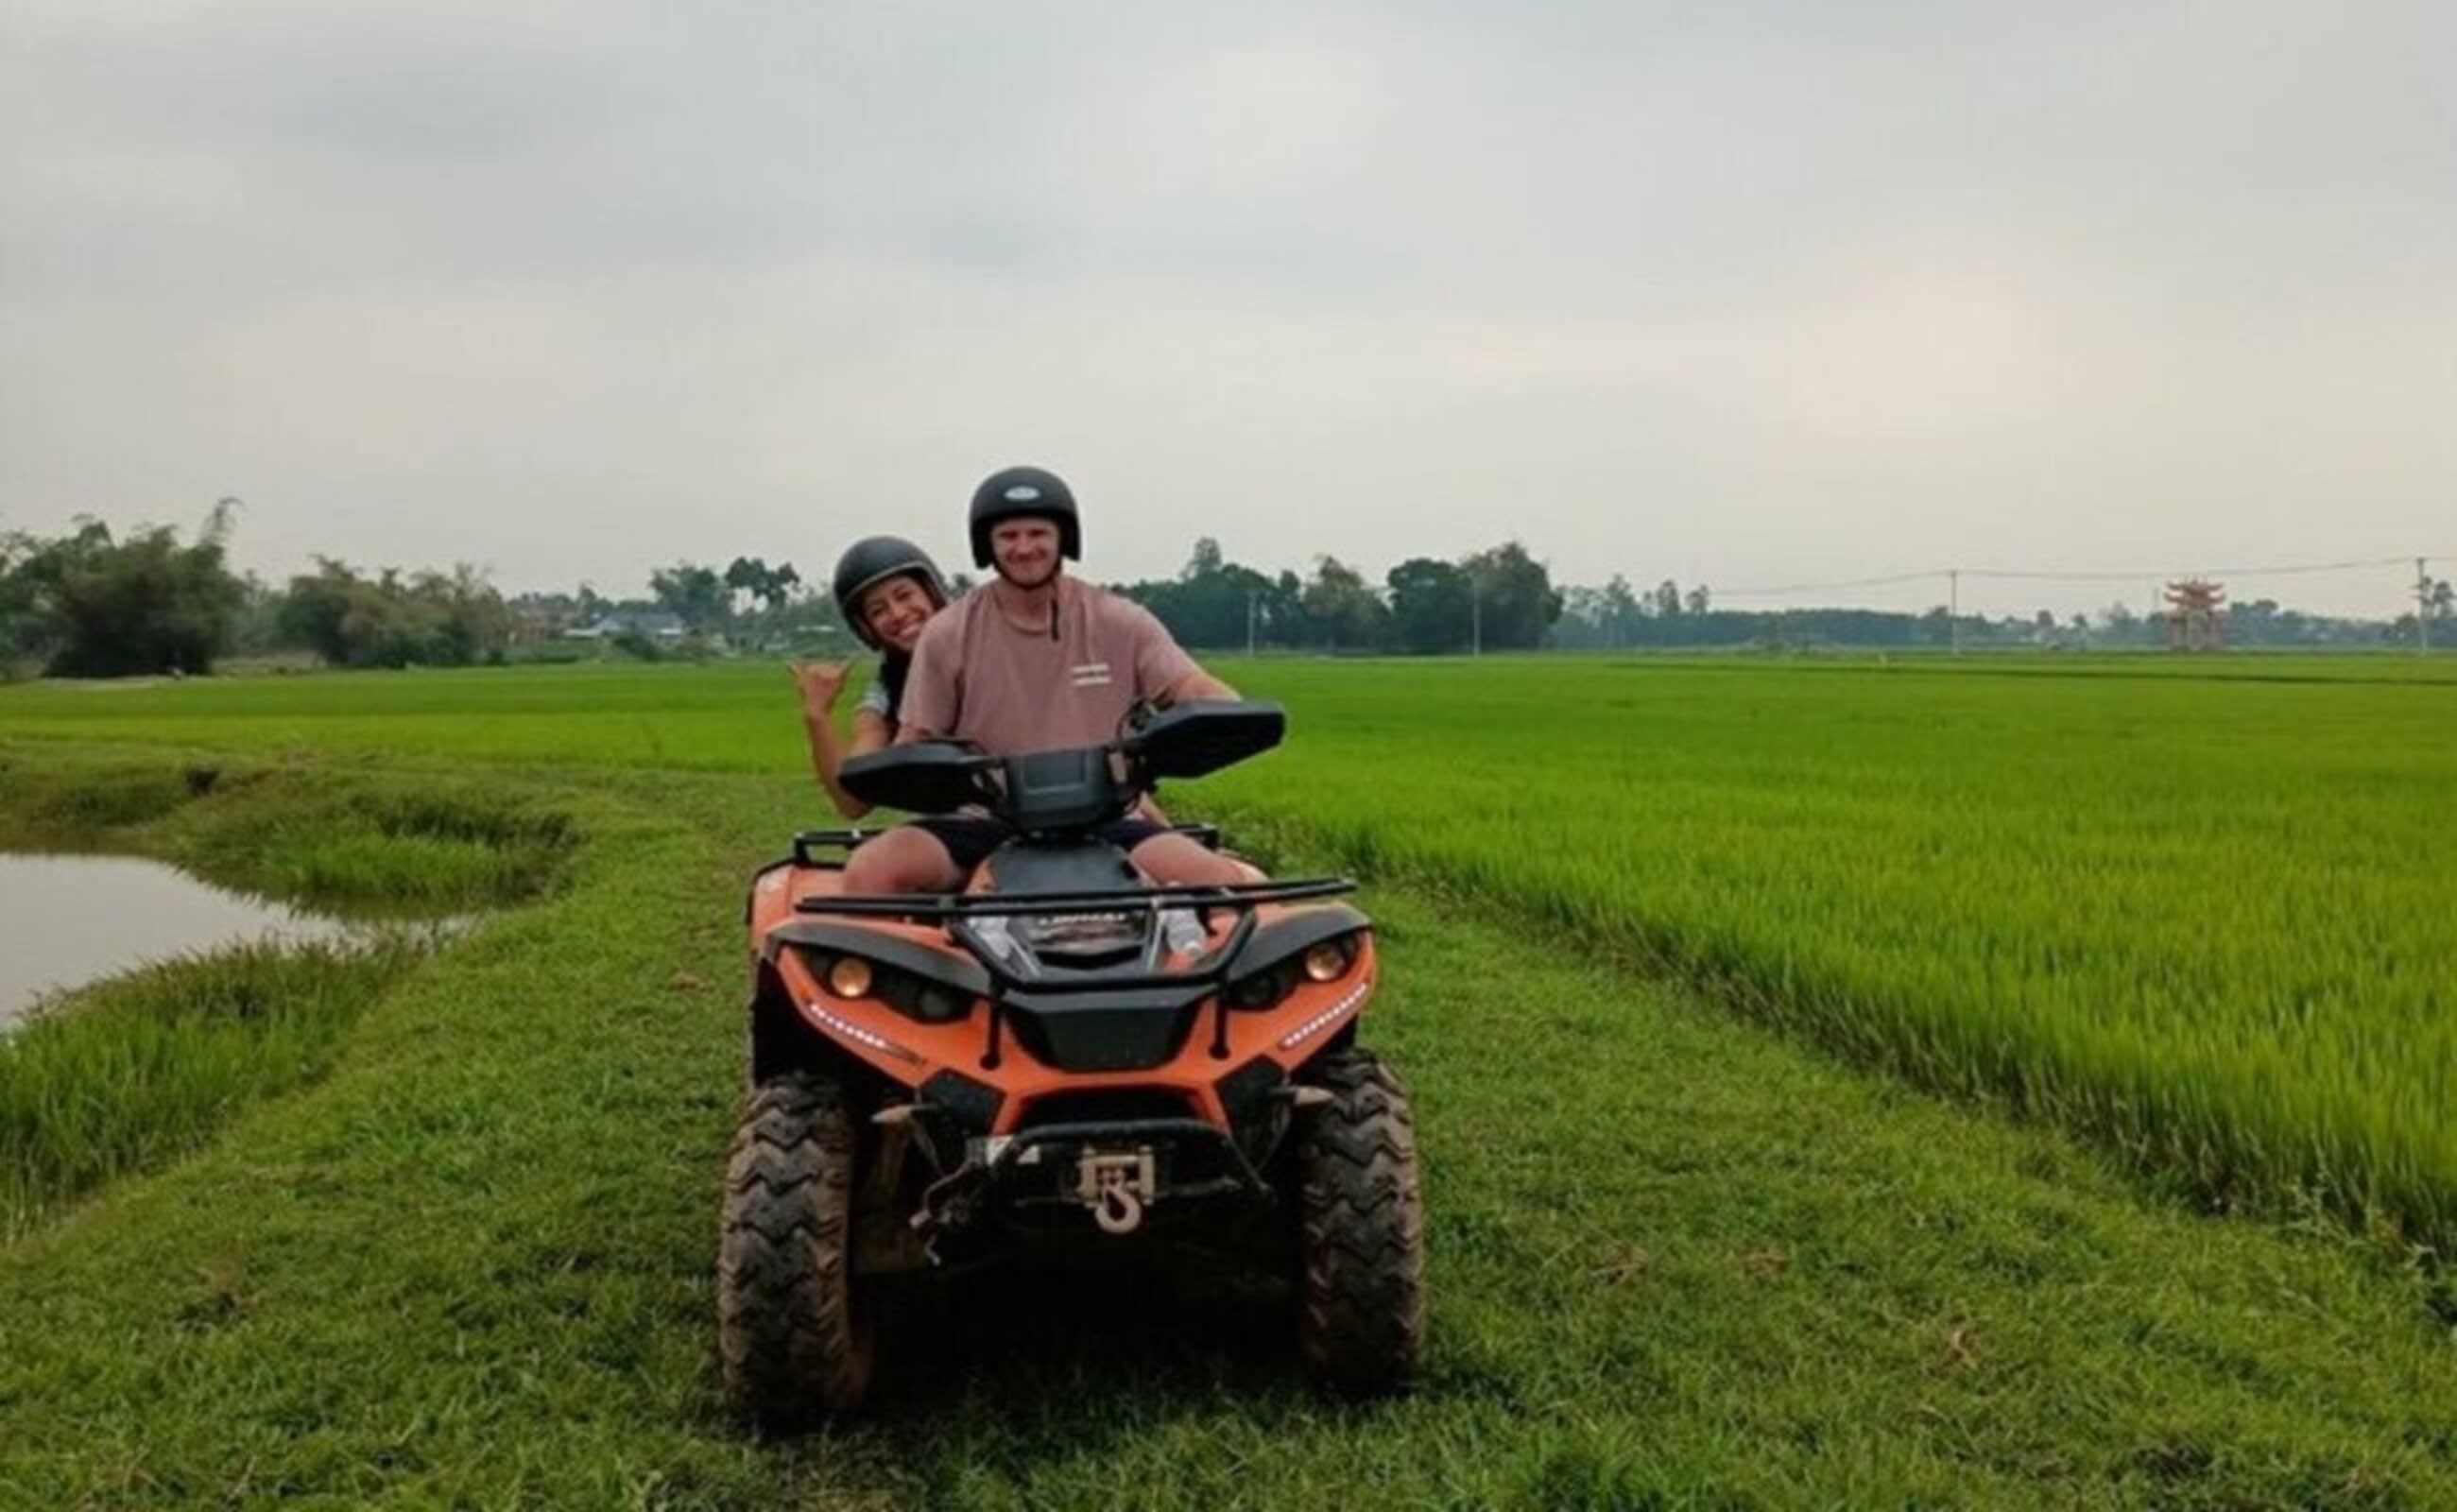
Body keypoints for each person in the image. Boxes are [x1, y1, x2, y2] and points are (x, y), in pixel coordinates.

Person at [839, 466, 1257, 894]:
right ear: (987, 545)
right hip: (981, 819)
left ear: (1064, 538)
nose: (1024, 548)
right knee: (873, 868)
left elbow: (1187, 685)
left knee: (1219, 880)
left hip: (1107, 816)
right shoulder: (948, 634)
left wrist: (1226, 711)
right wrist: (894, 771)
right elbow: (916, 739)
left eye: (1037, 533)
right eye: (1008, 536)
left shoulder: (1120, 621)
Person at [791, 535, 949, 819]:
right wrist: (817, 715)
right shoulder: (886, 696)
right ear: (866, 629)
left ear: (931, 593)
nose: (897, 614)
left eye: (904, 595)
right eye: (878, 610)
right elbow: (853, 802)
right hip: (950, 829)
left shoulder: (991, 647)